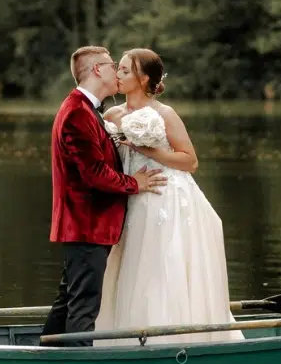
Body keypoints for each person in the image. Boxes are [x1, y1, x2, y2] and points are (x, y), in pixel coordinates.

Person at [95, 48, 244, 345]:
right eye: (118, 69)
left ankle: (173, 337)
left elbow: (190, 161)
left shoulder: (165, 114)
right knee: (132, 266)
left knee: (163, 265)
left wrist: (149, 151)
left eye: (124, 70)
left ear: (143, 78)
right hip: (132, 196)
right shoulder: (111, 115)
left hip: (166, 196)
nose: (118, 75)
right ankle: (124, 337)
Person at [40, 46, 167, 347]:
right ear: (97, 69)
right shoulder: (77, 113)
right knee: (83, 305)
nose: (116, 71)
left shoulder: (85, 109)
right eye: (112, 65)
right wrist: (134, 183)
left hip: (85, 225)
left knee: (69, 299)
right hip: (87, 224)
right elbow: (94, 173)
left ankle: (45, 357)